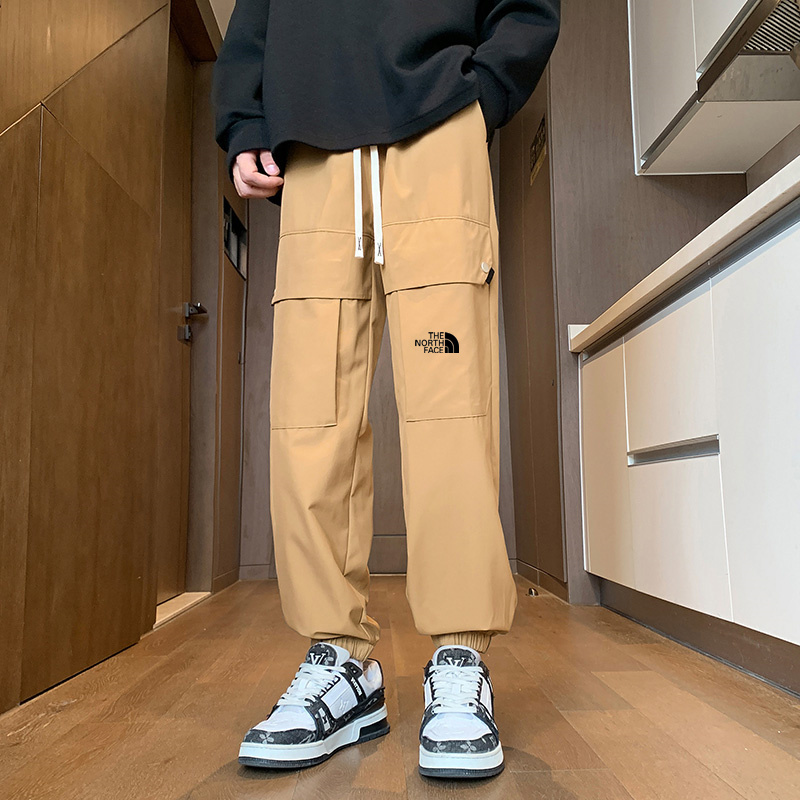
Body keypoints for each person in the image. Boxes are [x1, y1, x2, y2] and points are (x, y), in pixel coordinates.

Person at [212, 0, 560, 780]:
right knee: (309, 413)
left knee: (449, 402)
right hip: (313, 152)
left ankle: (460, 655)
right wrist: (245, 121)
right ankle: (340, 661)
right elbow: (256, 20)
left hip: (438, 129)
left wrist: (481, 93)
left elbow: (528, 8)